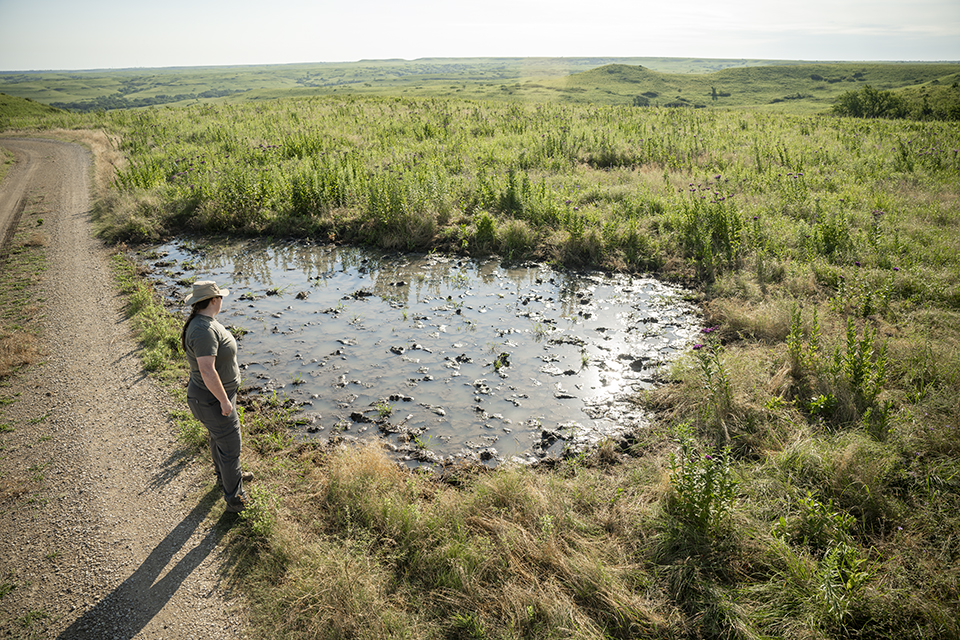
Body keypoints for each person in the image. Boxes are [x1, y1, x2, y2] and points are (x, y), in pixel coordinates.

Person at [182, 280, 252, 512]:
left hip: (212, 397)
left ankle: (226, 477)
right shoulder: (203, 330)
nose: (222, 300)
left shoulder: (205, 323)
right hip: (211, 399)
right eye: (220, 296)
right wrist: (223, 400)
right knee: (231, 447)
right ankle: (235, 500)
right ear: (214, 300)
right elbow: (206, 370)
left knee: (219, 439)